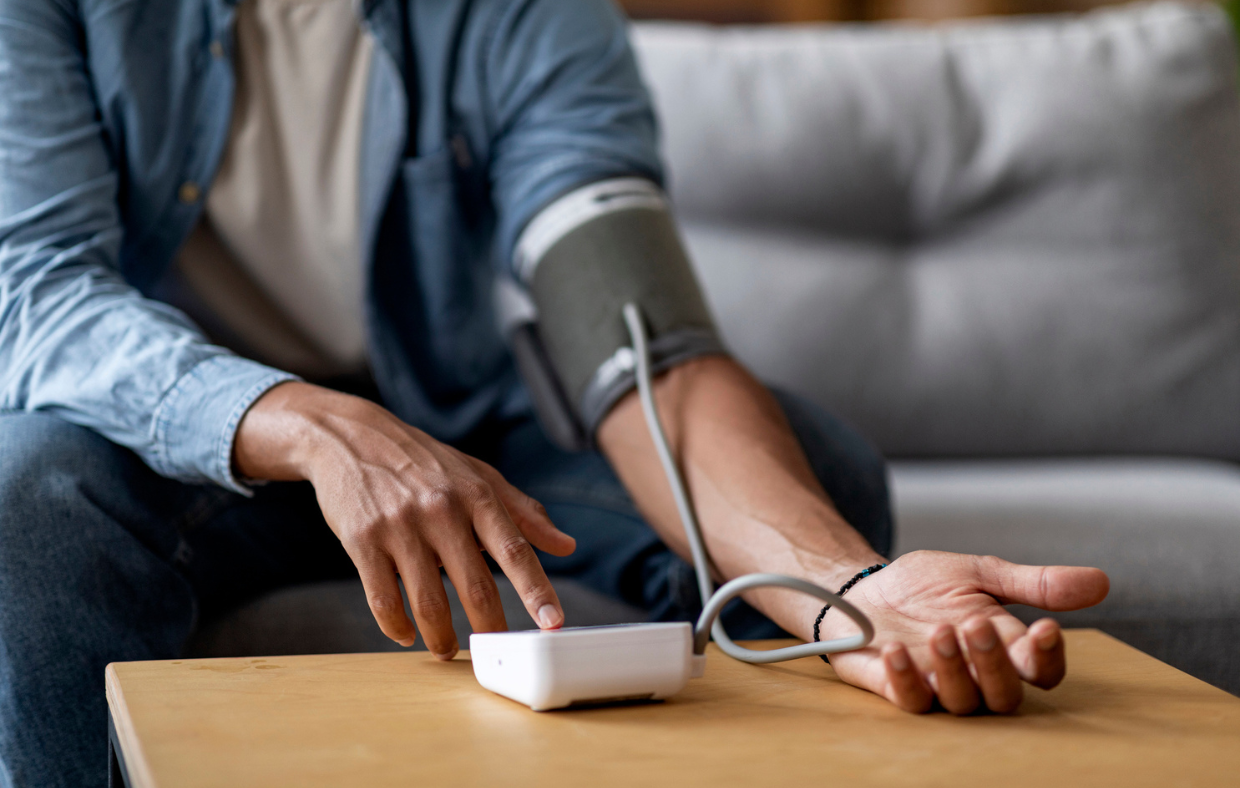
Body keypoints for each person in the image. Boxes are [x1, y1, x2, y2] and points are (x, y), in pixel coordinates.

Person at [0, 0, 1109, 784]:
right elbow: (36, 287)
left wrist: (846, 583)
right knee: (27, 500)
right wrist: (308, 425)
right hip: (157, 448)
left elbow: (639, 340)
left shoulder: (533, 9)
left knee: (816, 462)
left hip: (450, 420)